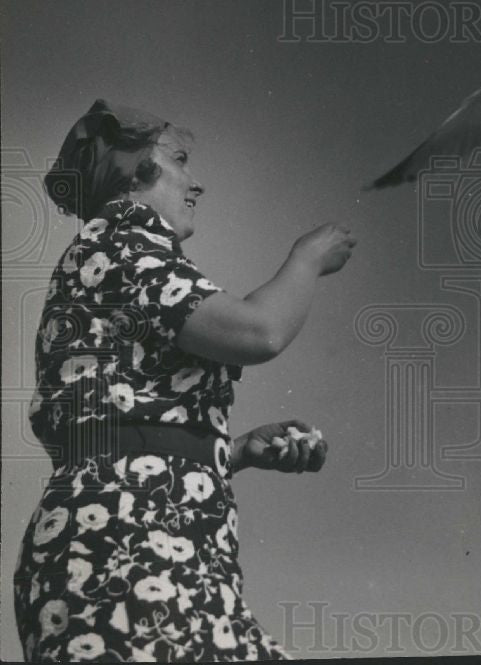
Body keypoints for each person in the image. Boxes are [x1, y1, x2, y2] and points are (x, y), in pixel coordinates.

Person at [13, 99, 357, 661]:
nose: (195, 183)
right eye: (179, 160)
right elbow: (259, 332)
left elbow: (131, 420)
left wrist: (235, 451)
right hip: (130, 552)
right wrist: (307, 258)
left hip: (143, 544)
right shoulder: (124, 242)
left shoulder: (113, 251)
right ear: (135, 170)